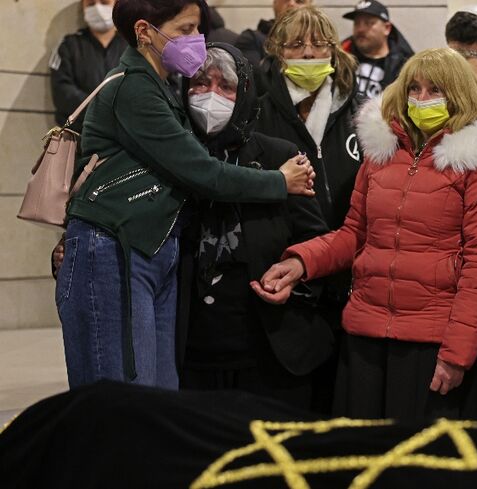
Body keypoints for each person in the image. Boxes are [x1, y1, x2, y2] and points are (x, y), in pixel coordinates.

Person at [55, 0, 316, 391]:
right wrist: (280, 182)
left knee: (158, 399)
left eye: (198, 30)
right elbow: (202, 173)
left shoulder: (161, 87)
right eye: (185, 29)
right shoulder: (133, 86)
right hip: (115, 249)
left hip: (147, 253)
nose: (196, 40)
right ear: (144, 31)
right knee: (122, 398)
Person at [252, 48, 477, 420]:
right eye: (414, 89)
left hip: (429, 343)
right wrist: (301, 261)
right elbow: (353, 235)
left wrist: (458, 355)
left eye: (435, 90)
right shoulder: (381, 155)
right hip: (364, 335)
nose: (421, 100)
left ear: (459, 95)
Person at [176, 43, 334, 410]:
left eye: (225, 86)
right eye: (200, 83)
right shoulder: (173, 157)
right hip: (191, 351)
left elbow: (319, 240)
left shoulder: (280, 156)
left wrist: (297, 268)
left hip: (269, 351)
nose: (211, 96)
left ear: (244, 93)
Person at [258, 6, 362, 233]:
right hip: (285, 251)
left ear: (333, 51)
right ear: (280, 53)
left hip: (349, 247)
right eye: (296, 45)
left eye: (318, 44)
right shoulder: (259, 115)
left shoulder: (362, 113)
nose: (308, 53)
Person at [50, 0, 126, 132]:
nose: (97, 7)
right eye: (90, 4)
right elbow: (62, 92)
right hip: (80, 139)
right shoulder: (69, 45)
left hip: (126, 139)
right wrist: (100, 109)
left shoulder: (134, 46)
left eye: (104, 2)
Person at [340, 0, 414, 99]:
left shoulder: (405, 66)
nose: (361, 29)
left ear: (387, 28)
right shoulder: (341, 56)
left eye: (369, 23)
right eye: (357, 23)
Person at [235, 0, 310, 71]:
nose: (291, 3)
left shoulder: (318, 42)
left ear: (310, 6)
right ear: (275, 2)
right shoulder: (251, 39)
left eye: (300, 0)